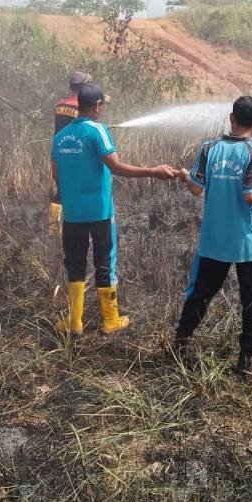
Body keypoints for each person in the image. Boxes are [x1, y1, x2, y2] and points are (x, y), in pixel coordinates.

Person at [175, 95, 252, 374]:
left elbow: (195, 188)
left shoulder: (208, 148)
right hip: (247, 242)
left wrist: (184, 175)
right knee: (251, 299)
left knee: (200, 294)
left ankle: (180, 343)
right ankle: (246, 361)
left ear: (231, 117)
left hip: (213, 240)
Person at [52, 83, 177, 336]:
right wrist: (153, 171)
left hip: (72, 214)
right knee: (105, 263)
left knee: (74, 264)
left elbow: (56, 174)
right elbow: (116, 166)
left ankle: (74, 322)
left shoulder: (60, 136)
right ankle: (110, 320)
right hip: (99, 212)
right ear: (97, 106)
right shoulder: (99, 131)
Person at [48, 70, 92, 231]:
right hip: (76, 156)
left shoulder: (59, 105)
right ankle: (76, 229)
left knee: (60, 191)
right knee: (78, 192)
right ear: (84, 88)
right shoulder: (82, 108)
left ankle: (53, 230)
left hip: (58, 154)